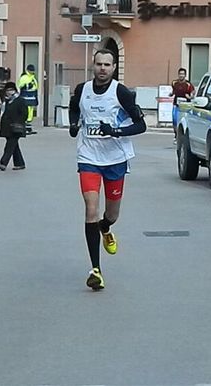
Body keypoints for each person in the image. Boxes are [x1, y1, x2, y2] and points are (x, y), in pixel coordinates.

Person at [69, 49, 147, 290]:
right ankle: (96, 270)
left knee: (111, 215)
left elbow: (141, 124)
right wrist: (73, 125)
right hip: (89, 157)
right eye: (99, 64)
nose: (102, 68)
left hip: (115, 159)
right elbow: (74, 108)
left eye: (107, 65)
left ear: (114, 68)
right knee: (90, 209)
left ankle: (105, 228)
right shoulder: (83, 90)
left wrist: (116, 132)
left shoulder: (120, 92)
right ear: (93, 66)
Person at [0, 82, 28, 171]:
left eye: (11, 90)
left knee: (9, 146)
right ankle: (20, 163)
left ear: (15, 90)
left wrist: (18, 122)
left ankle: (3, 163)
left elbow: (24, 114)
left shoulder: (20, 100)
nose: (8, 92)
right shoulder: (6, 101)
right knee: (14, 146)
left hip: (16, 128)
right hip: (7, 127)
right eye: (7, 90)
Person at [169, 67, 194, 140]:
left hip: (185, 107)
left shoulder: (188, 84)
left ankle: (184, 136)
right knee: (174, 119)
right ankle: (176, 135)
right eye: (180, 74)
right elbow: (174, 91)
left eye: (183, 74)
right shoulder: (174, 83)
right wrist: (171, 94)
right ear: (178, 75)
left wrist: (189, 97)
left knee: (184, 121)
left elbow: (192, 94)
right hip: (176, 105)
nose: (181, 75)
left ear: (185, 75)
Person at [16, 64, 39, 135]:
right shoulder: (24, 77)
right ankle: (24, 129)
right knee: (25, 113)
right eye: (31, 71)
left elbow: (36, 87)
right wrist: (28, 85)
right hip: (26, 99)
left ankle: (28, 129)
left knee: (30, 115)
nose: (32, 72)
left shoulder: (33, 77)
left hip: (31, 99)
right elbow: (20, 85)